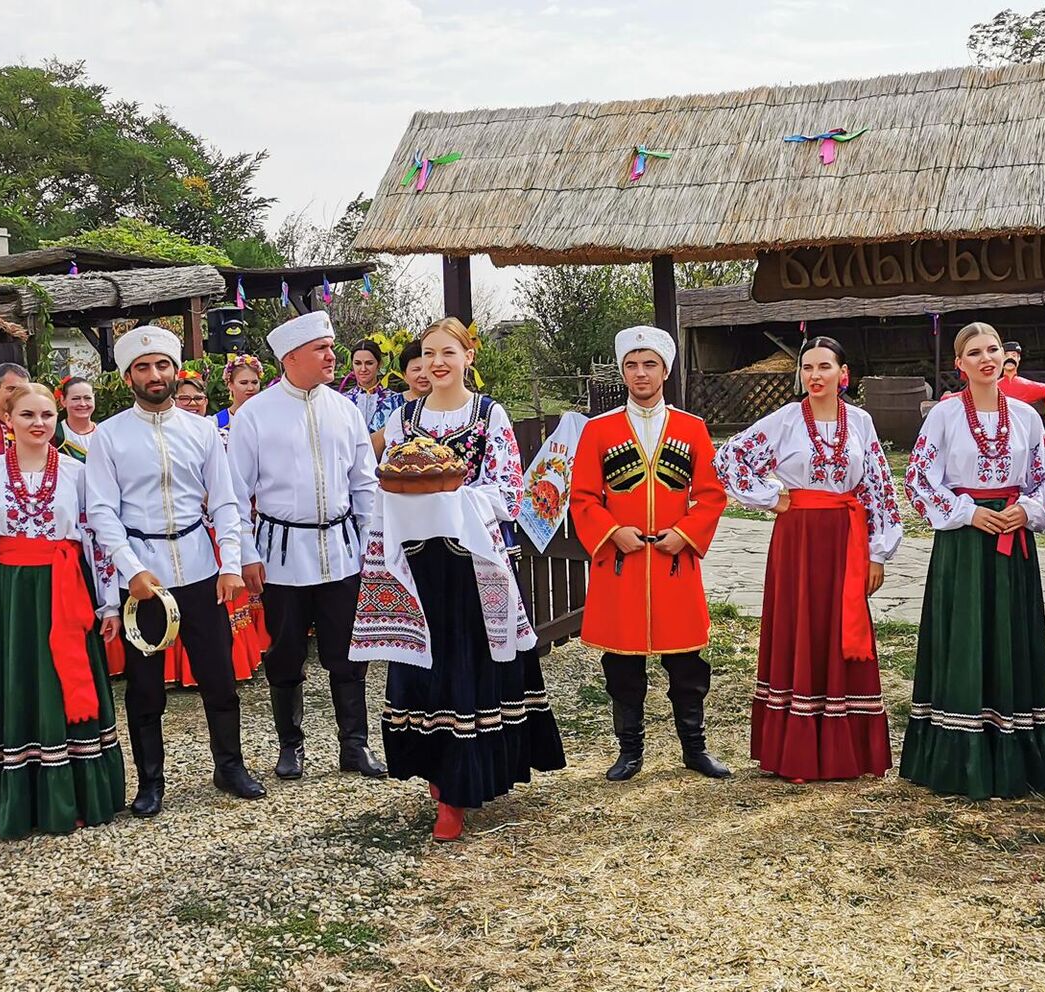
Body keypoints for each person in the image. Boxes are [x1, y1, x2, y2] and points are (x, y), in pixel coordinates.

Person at [353, 317, 565, 840]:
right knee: (423, 670)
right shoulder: (404, 419)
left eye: (448, 352)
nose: (436, 363)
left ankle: (459, 790)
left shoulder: (489, 415)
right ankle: (437, 770)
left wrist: (450, 500)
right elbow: (384, 483)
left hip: (472, 564)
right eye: (428, 353)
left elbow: (509, 491)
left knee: (468, 671)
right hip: (418, 565)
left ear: (469, 357)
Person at [85, 325, 262, 818]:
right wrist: (132, 570)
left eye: (162, 365)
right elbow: (101, 512)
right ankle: (150, 782)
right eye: (143, 367)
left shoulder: (202, 430)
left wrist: (229, 564)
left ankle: (230, 766)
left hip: (201, 568)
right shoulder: (110, 435)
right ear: (127, 377)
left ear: (174, 370)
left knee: (219, 676)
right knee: (145, 686)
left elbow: (225, 502)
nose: (154, 374)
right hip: (144, 576)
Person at [716, 336, 903, 782]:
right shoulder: (784, 420)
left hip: (845, 539)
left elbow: (878, 486)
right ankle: (796, 752)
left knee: (839, 628)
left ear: (844, 374)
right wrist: (770, 497)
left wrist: (878, 552)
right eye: (807, 368)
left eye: (824, 367)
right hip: (797, 539)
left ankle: (847, 750)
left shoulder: (860, 422)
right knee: (800, 626)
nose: (815, 376)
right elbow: (729, 459)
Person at [0, 383, 125, 838]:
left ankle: (81, 794)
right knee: (21, 682)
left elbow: (97, 539)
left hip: (66, 589)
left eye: (47, 414)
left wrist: (109, 601)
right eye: (27, 415)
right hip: (13, 596)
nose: (38, 423)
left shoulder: (77, 472)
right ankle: (22, 801)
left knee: (67, 680)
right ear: (8, 419)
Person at [900, 324, 1045, 799]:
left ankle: (1018, 753)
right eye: (975, 353)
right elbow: (918, 480)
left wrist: (1025, 510)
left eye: (993, 350)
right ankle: (958, 758)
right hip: (964, 546)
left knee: (1010, 634)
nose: (986, 358)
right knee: (966, 636)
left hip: (1012, 540)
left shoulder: (1027, 417)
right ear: (960, 365)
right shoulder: (944, 416)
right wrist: (967, 514)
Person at [568, 326, 730, 781]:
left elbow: (712, 495)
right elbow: (582, 497)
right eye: (632, 365)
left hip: (675, 564)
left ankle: (694, 749)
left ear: (665, 369)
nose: (641, 373)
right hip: (622, 564)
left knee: (688, 664)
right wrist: (612, 531)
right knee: (622, 664)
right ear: (622, 371)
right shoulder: (599, 430)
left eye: (650, 364)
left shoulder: (691, 428)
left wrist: (687, 532)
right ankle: (630, 751)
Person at [230, 311, 385, 779]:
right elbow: (235, 492)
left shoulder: (345, 410)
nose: (332, 356)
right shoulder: (255, 414)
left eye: (331, 347)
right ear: (291, 357)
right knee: (285, 651)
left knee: (348, 653)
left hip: (341, 551)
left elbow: (364, 485)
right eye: (322, 349)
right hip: (280, 555)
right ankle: (290, 746)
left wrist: (369, 543)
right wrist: (246, 554)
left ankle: (354, 746)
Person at [371, 339, 425, 456]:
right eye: (416, 370)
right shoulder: (390, 405)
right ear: (404, 375)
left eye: (427, 369)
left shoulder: (444, 405)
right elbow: (371, 450)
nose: (423, 375)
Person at [344, 338, 404, 433]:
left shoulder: (395, 400)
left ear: (379, 364)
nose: (363, 369)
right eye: (358, 363)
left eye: (369, 363)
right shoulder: (343, 401)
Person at [999, 342, 1045, 426]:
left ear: (1019, 358)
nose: (1010, 358)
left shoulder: (1026, 385)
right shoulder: (993, 387)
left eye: (1014, 355)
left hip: (1023, 427)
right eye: (1006, 356)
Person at [214, 355, 264, 430]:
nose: (251, 388)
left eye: (254, 382)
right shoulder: (216, 422)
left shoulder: (268, 418)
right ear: (230, 385)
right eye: (243, 383)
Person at [58, 376, 98, 459]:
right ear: (63, 400)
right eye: (76, 399)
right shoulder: (54, 434)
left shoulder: (105, 432)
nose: (83, 404)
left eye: (87, 398)